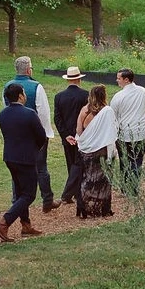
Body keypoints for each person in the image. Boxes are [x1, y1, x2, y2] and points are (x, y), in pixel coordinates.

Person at [3, 56, 61, 213]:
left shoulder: (7, 86)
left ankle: (16, 200)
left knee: (17, 171)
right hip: (34, 134)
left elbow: (6, 109)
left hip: (15, 135)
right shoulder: (36, 86)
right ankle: (47, 199)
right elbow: (43, 112)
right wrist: (45, 132)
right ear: (29, 70)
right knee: (41, 168)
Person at [0, 83, 48, 242]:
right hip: (26, 158)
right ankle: (4, 222)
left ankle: (26, 224)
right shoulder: (29, 114)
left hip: (10, 157)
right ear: (21, 96)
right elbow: (41, 136)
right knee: (29, 194)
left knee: (19, 192)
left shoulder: (2, 115)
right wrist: (34, 149)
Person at [73, 84, 118, 217]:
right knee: (104, 179)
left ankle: (84, 208)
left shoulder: (84, 110)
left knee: (87, 178)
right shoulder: (107, 111)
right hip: (102, 149)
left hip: (86, 149)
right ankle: (103, 208)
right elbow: (112, 131)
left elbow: (79, 131)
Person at [110, 68, 145, 190]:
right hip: (140, 133)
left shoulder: (118, 96)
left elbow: (112, 116)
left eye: (119, 78)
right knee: (137, 161)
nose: (117, 80)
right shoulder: (143, 92)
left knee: (124, 161)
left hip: (124, 134)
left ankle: (125, 186)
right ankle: (134, 187)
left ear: (126, 80)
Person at [54, 66, 89, 213]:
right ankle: (77, 191)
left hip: (67, 137)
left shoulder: (59, 97)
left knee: (71, 163)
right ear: (79, 79)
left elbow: (57, 119)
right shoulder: (86, 95)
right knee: (81, 164)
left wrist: (66, 135)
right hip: (83, 136)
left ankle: (72, 192)